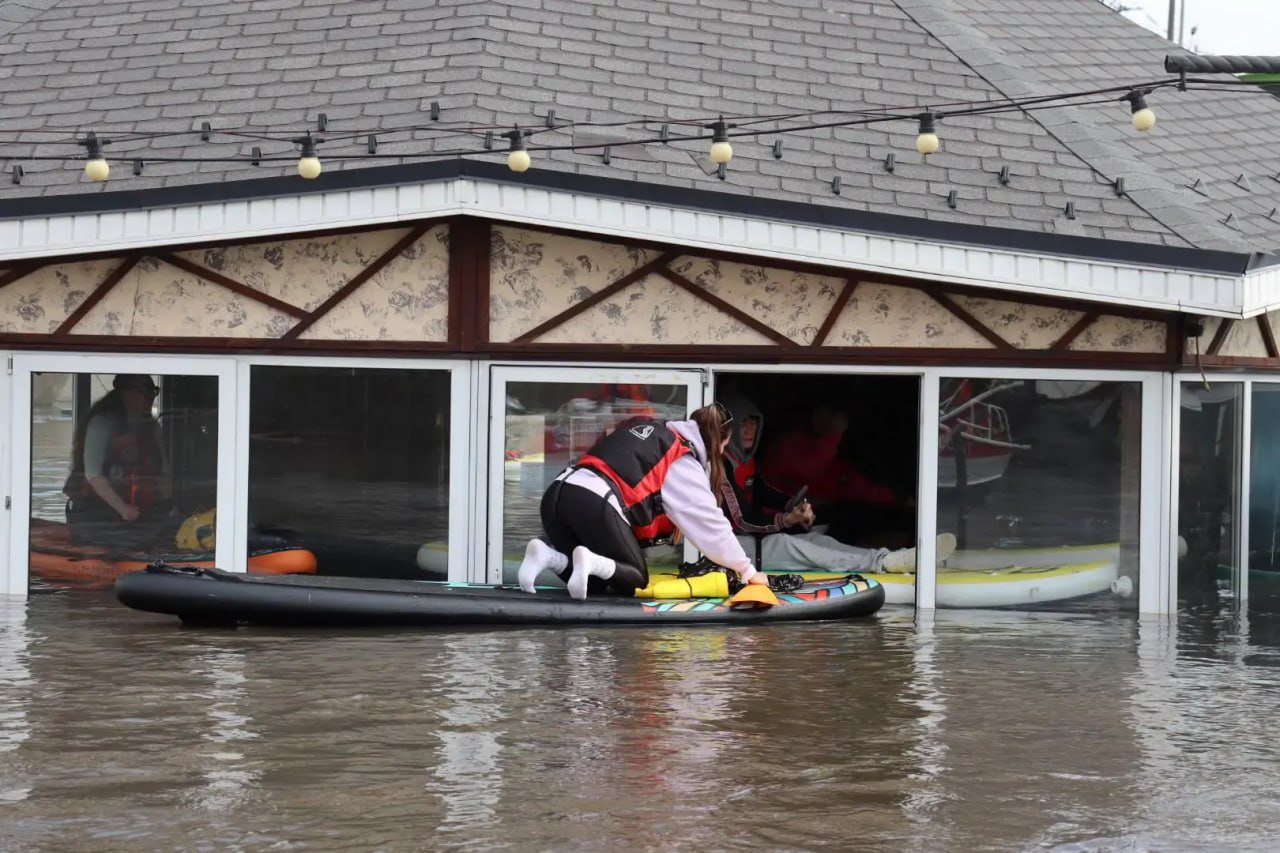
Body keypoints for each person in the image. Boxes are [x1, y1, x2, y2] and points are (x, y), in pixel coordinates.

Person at [516, 402, 769, 600]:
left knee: (596, 580)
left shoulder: (652, 432)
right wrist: (748, 571)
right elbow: (709, 523)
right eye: (723, 448)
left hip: (557, 494)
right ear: (717, 442)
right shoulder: (680, 456)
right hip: (591, 500)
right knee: (635, 577)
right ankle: (587, 558)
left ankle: (546, 556)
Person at [718, 391, 955, 574]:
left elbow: (761, 491)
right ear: (728, 427)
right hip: (731, 550)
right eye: (742, 423)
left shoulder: (742, 461)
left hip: (751, 541)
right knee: (788, 544)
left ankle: (886, 557)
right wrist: (784, 519)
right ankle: (882, 563)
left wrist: (791, 505)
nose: (749, 430)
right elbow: (741, 520)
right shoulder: (719, 466)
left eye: (753, 423)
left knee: (817, 539)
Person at [759, 402, 914, 547]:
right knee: (846, 516)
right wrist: (833, 435)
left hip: (815, 514)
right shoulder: (791, 442)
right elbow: (809, 471)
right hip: (780, 520)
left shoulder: (833, 448)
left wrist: (897, 499)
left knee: (869, 512)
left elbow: (853, 485)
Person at [62, 374, 170, 550]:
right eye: (144, 392)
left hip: (141, 513)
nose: (150, 398)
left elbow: (163, 471)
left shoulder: (151, 427)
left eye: (154, 392)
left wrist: (167, 501)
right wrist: (124, 510)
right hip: (99, 514)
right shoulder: (102, 423)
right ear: (124, 393)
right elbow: (94, 475)